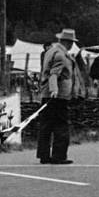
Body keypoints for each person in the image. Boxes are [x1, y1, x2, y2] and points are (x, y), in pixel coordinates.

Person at [37, 28, 77, 165]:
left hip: (46, 94)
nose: (72, 44)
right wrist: (54, 90)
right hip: (58, 95)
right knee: (61, 125)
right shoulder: (61, 54)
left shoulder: (50, 51)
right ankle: (59, 156)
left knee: (46, 125)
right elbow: (54, 74)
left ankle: (43, 155)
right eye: (71, 42)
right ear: (67, 42)